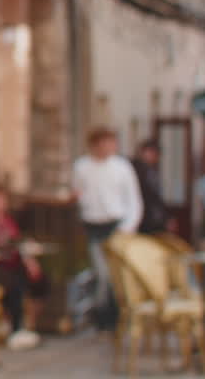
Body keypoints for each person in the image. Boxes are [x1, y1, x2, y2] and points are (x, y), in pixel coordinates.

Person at [71, 127, 142, 332]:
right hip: (94, 225)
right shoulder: (82, 167)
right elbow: (79, 193)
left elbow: (133, 199)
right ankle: (102, 315)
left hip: (116, 225)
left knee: (117, 273)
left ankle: (116, 314)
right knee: (101, 273)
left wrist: (128, 226)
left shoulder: (121, 167)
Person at [0, 184, 47, 351]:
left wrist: (29, 259)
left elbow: (17, 242)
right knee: (14, 282)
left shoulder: (7, 221)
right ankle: (15, 328)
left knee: (37, 279)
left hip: (9, 264)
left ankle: (26, 325)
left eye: (0, 199)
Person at [131, 139, 173, 235]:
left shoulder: (152, 171)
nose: (153, 157)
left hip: (154, 219)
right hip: (142, 218)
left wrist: (166, 217)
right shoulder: (135, 170)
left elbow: (157, 198)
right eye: (150, 153)